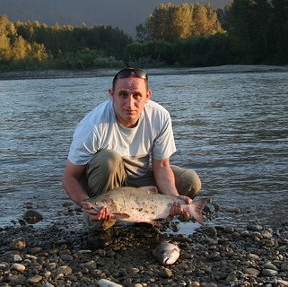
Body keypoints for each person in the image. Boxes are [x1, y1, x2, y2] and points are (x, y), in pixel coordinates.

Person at [63, 68, 201, 249]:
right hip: (108, 184)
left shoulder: (160, 116)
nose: (130, 103)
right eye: (123, 95)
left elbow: (161, 166)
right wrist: (86, 204)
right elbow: (69, 177)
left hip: (140, 181)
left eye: (137, 95)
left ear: (147, 96)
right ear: (111, 94)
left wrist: (174, 198)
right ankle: (100, 227)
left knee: (191, 181)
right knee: (108, 158)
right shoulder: (94, 125)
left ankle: (146, 220)